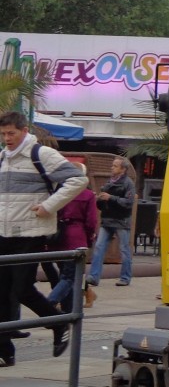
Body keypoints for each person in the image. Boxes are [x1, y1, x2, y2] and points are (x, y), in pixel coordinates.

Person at [0, 111, 87, 367]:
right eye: (3, 134)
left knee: (22, 289)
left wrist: (49, 206)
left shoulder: (41, 154)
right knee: (1, 293)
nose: (7, 138)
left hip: (31, 232)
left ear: (24, 131)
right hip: (4, 233)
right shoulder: (3, 157)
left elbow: (78, 179)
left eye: (11, 133)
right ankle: (5, 350)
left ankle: (58, 323)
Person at [48, 159, 98, 313]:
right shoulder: (87, 195)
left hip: (58, 237)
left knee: (65, 274)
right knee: (69, 277)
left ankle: (68, 310)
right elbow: (91, 221)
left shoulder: (59, 192)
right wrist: (89, 237)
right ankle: (50, 302)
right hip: (77, 238)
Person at [85, 155, 136, 290]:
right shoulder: (109, 182)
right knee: (99, 247)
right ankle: (94, 277)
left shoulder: (128, 183)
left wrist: (111, 197)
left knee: (124, 250)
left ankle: (125, 278)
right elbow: (102, 205)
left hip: (121, 221)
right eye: (112, 166)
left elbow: (129, 203)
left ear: (123, 169)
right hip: (107, 220)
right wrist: (100, 199)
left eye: (115, 166)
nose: (112, 168)